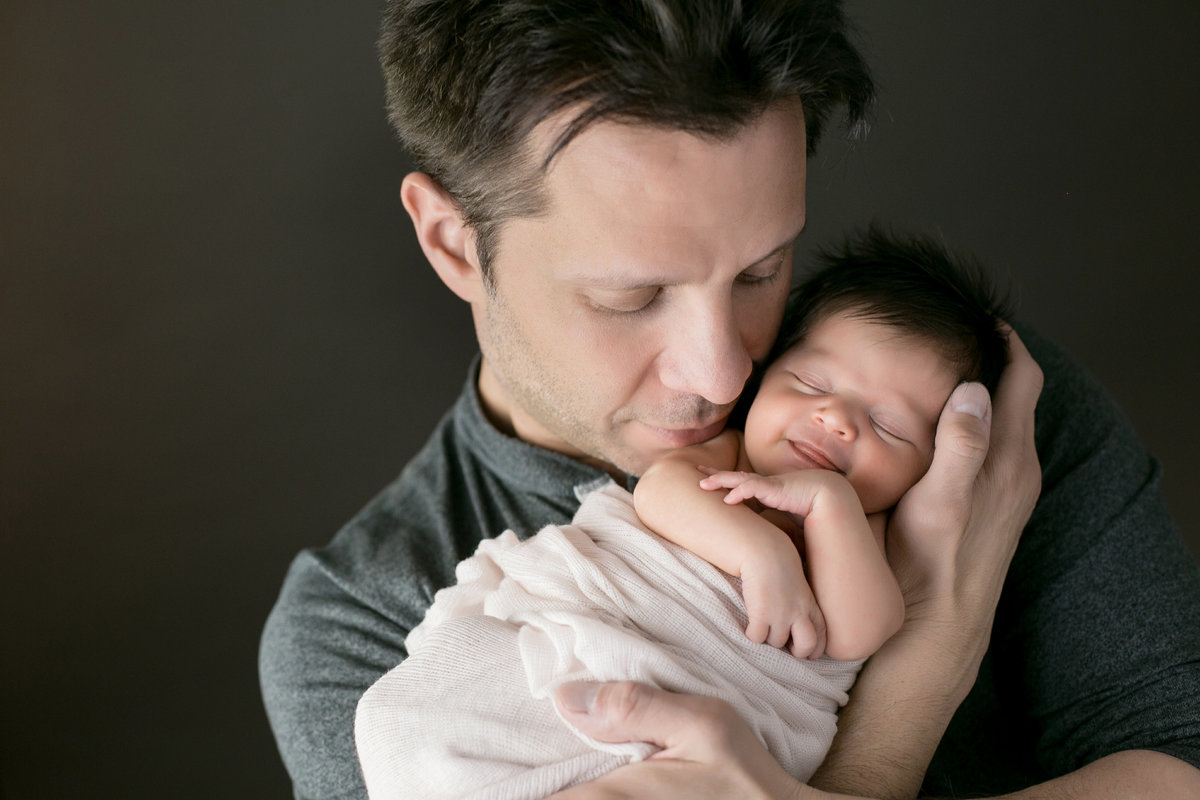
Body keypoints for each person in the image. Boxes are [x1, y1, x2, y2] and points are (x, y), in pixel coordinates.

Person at [258, 2, 1200, 799]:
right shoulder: (366, 620)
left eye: (761, 270)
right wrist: (923, 668)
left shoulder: (955, 412)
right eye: (631, 297)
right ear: (455, 243)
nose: (722, 374)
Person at [351, 229, 1011, 800]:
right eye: (810, 385)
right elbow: (659, 494)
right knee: (399, 721)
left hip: (697, 709)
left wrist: (829, 503)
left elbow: (863, 630)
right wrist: (762, 552)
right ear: (766, 375)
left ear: (933, 462)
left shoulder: (867, 526)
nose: (835, 420)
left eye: (889, 427)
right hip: (605, 638)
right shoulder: (728, 456)